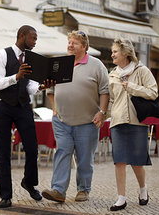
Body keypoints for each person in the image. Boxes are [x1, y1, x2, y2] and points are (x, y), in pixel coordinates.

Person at [42, 30, 109, 203]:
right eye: (69, 42)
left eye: (75, 43)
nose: (70, 45)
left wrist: (101, 113)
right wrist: (55, 109)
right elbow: (50, 90)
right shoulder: (59, 64)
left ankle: (83, 190)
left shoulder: (96, 65)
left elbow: (104, 91)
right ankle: (58, 190)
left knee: (84, 158)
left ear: (85, 47)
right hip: (62, 121)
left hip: (87, 122)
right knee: (62, 152)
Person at [0, 25, 54, 208]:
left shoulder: (31, 59)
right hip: (2, 106)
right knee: (4, 152)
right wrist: (16, 77)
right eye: (33, 38)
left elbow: (30, 86)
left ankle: (29, 182)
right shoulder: (2, 55)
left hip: (23, 106)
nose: (35, 42)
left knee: (32, 148)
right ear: (22, 35)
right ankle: (6, 195)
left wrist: (41, 87)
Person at [108, 38, 154, 211]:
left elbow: (153, 92)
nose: (112, 54)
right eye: (112, 51)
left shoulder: (142, 71)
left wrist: (132, 87)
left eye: (115, 51)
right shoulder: (112, 74)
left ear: (125, 53)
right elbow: (112, 100)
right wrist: (105, 115)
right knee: (119, 160)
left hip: (138, 121)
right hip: (118, 121)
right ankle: (121, 198)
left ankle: (143, 189)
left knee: (136, 161)